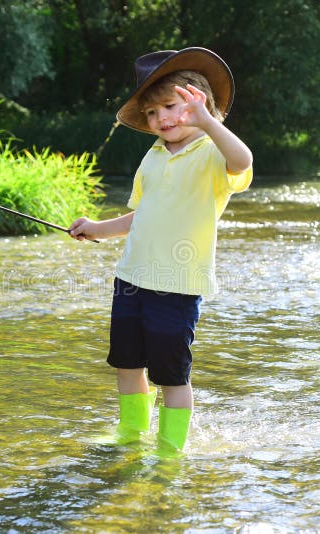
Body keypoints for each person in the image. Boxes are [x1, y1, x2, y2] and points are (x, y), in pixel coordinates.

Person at [69, 47, 253, 452]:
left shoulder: (212, 155)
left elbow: (243, 160)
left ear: (200, 104)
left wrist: (207, 123)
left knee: (171, 375)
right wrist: (98, 229)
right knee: (127, 364)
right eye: (152, 113)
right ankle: (131, 433)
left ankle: (170, 448)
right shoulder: (152, 157)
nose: (161, 119)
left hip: (178, 285)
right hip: (132, 279)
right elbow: (141, 215)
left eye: (170, 106)